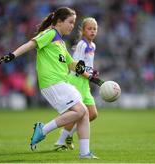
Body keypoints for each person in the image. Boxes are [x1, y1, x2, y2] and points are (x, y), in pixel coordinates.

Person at [0, 7, 99, 159]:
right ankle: (43, 130)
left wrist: (91, 77)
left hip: (60, 82)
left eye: (74, 23)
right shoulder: (50, 34)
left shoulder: (61, 43)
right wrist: (12, 55)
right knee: (80, 111)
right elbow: (31, 44)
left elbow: (72, 64)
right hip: (53, 83)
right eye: (70, 22)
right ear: (59, 21)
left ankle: (84, 153)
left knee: (83, 113)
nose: (72, 26)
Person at [54, 17, 104, 151]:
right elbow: (76, 66)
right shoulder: (82, 45)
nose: (92, 31)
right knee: (78, 113)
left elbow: (87, 65)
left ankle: (68, 135)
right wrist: (91, 76)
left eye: (95, 29)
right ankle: (60, 141)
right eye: (89, 28)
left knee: (92, 114)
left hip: (84, 83)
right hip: (76, 81)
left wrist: (92, 72)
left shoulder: (93, 45)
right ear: (82, 30)